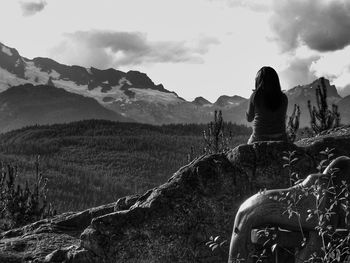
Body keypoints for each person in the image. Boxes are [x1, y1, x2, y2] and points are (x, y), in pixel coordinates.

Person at [246, 66, 288, 144]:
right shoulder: (283, 97)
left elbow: (249, 118)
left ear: (258, 81)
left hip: (259, 138)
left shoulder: (255, 96)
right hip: (281, 137)